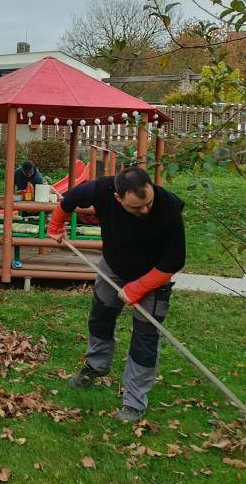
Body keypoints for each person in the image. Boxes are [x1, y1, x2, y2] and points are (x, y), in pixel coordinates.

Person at [48, 166, 185, 422]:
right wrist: (56, 224)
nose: (144, 210)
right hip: (113, 266)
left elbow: (174, 261)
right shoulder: (100, 189)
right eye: (136, 207)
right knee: (100, 317)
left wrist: (140, 287)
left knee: (145, 337)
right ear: (117, 198)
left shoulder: (168, 207)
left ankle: (134, 401)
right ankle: (95, 366)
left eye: (148, 202)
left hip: (154, 277)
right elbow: (70, 200)